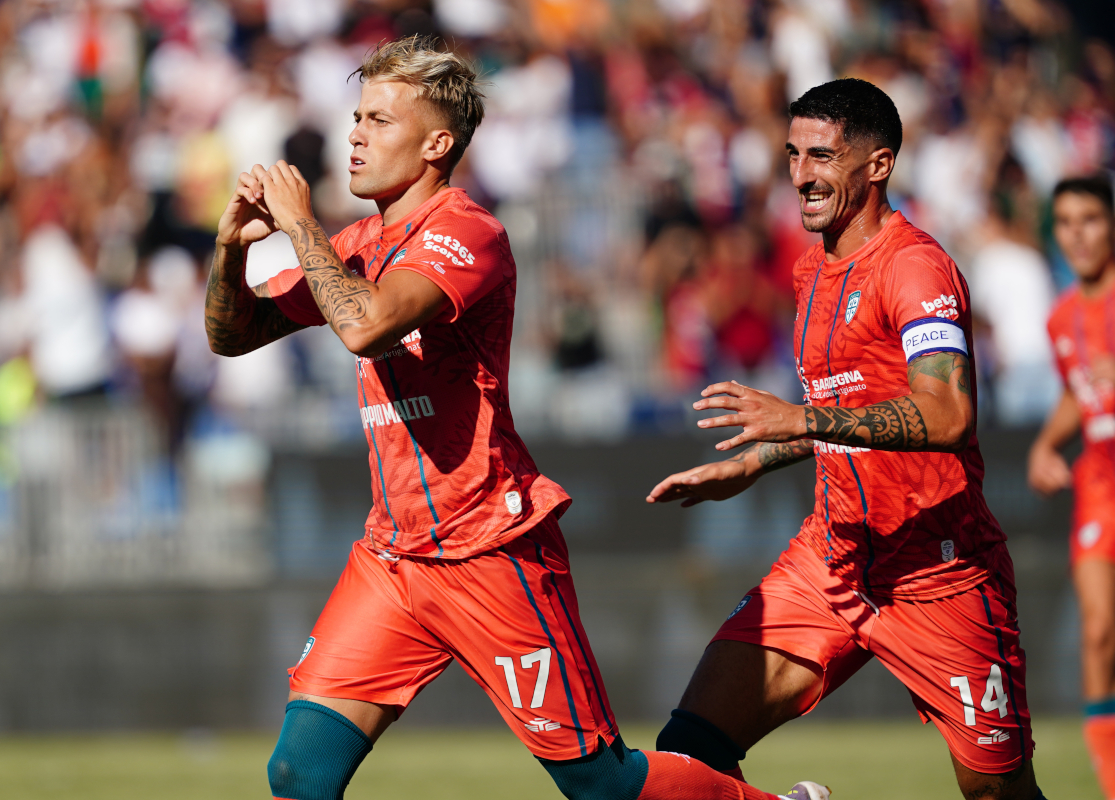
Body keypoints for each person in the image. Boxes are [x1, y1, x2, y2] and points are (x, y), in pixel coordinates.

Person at [204, 36, 825, 800]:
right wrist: (231, 252)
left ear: (437, 143)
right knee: (299, 772)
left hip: (490, 549)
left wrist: (300, 225)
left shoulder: (469, 231)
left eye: (377, 120)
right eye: (356, 116)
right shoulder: (358, 244)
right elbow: (231, 337)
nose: (355, 135)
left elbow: (365, 325)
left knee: (599, 782)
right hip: (394, 559)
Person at [647, 78, 1048, 800]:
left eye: (823, 155)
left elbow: (948, 415)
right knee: (688, 754)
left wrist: (796, 420)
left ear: (878, 164)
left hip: (937, 573)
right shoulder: (809, 270)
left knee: (999, 794)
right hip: (830, 561)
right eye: (793, 153)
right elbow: (851, 411)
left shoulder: (914, 266)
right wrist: (755, 461)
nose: (801, 173)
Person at [1028, 175, 1115, 799]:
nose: (1077, 234)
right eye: (1065, 222)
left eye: (1089, 219)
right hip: (1100, 484)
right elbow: (1077, 394)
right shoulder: (1060, 319)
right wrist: (1042, 445)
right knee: (1097, 630)